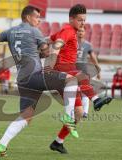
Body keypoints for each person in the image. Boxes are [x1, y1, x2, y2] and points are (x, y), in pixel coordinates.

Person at [0, 5, 82, 157]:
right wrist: (54, 48)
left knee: (26, 117)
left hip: (22, 80)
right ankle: (68, 117)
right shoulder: (34, 31)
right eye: (37, 17)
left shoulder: (10, 31)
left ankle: (1, 145)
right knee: (71, 80)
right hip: (35, 75)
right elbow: (47, 52)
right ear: (28, 17)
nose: (39, 20)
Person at [48, 4, 112, 154]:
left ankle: (58, 142)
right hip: (62, 71)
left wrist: (40, 42)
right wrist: (52, 59)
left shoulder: (68, 31)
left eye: (84, 20)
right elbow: (57, 44)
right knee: (81, 76)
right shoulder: (68, 30)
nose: (83, 23)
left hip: (70, 73)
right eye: (80, 20)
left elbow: (51, 38)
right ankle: (96, 100)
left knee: (79, 114)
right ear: (71, 19)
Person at [76, 27, 101, 117]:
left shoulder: (88, 45)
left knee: (85, 89)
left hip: (83, 68)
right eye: (79, 30)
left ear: (85, 32)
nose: (80, 32)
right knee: (73, 90)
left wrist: (98, 70)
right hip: (72, 68)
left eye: (82, 31)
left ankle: (85, 112)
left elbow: (93, 57)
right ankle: (76, 110)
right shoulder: (71, 42)